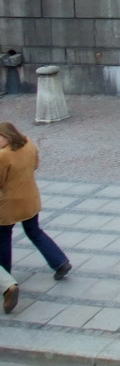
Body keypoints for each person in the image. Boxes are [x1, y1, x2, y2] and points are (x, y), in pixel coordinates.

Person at [0, 121, 72, 294]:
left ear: (7, 137)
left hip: (9, 204)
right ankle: (59, 261)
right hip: (30, 197)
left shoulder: (3, 156)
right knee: (35, 231)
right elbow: (35, 165)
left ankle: (6, 279)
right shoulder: (29, 144)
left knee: (3, 238)